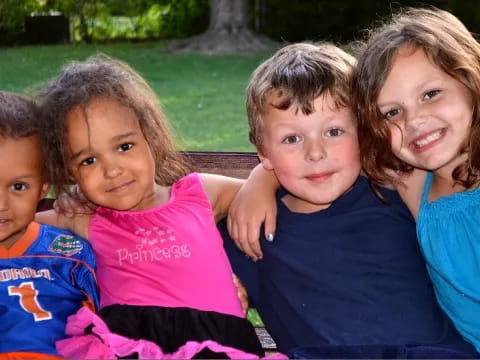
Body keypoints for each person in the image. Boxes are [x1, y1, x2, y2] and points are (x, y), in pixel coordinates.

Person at [219, 42, 478, 358]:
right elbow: (169, 207)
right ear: (263, 151)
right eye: (292, 139)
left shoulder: (397, 192)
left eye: (334, 131)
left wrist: (263, 177)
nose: (315, 153)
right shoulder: (252, 231)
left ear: (365, 132)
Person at [34, 55, 276, 359]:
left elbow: (268, 183)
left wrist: (263, 178)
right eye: (88, 161)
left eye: (124, 147)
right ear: (69, 170)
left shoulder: (199, 193)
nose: (112, 170)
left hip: (220, 345)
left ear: (149, 136)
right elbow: (14, 221)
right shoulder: (84, 217)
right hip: (132, 347)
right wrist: (67, 194)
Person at [351, 6, 480, 353]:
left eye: (430, 94)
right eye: (391, 112)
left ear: (470, 81)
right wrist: (263, 179)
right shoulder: (414, 182)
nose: (414, 121)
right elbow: (327, 159)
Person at [0, 91, 99, 359]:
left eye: (18, 187)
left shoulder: (69, 254)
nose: (1, 204)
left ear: (42, 188)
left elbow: (109, 328)